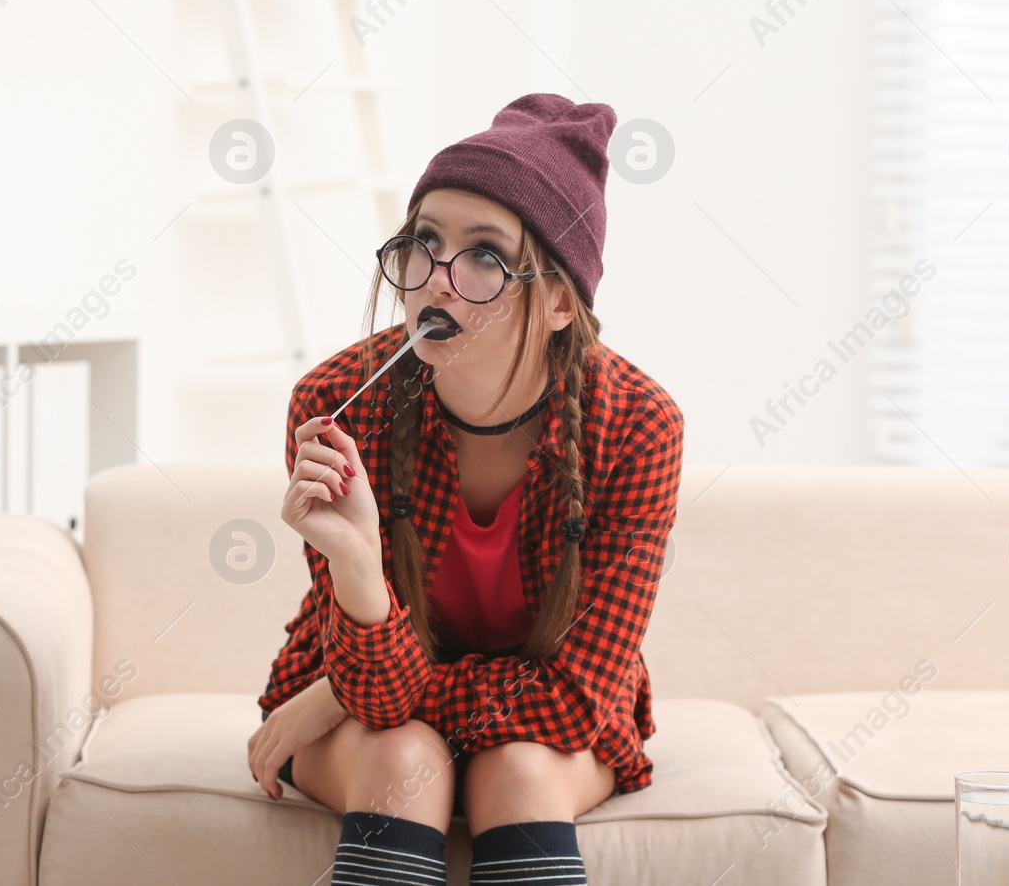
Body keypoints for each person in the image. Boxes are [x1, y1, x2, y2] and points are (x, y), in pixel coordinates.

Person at [246, 92, 685, 885]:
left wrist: (334, 698)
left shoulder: (640, 425)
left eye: (485, 254)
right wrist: (357, 566)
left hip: (493, 717)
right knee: (401, 752)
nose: (437, 279)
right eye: (424, 242)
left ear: (559, 300)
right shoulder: (336, 405)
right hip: (366, 707)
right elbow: (382, 704)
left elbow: (576, 702)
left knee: (516, 768)